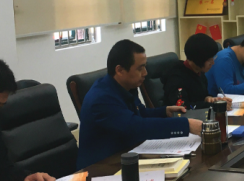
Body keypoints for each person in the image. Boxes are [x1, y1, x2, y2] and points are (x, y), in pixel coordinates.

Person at [77, 40, 203, 169]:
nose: (145, 73)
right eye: (140, 68)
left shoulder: (125, 87)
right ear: (120, 70)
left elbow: (140, 113)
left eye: (145, 67)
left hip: (127, 156)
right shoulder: (101, 99)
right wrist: (186, 125)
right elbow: (136, 127)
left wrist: (165, 111)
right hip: (101, 169)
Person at [162, 33, 230, 109]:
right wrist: (214, 106)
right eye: (209, 60)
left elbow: (199, 98)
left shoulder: (199, 72)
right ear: (198, 59)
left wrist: (208, 98)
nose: (213, 63)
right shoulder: (176, 78)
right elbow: (183, 107)